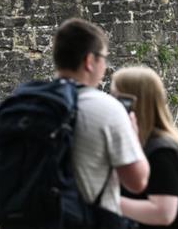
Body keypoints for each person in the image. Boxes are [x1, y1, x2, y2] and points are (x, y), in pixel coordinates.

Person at [53, 19, 149, 219]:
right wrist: (133, 137)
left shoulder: (27, 101)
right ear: (89, 61)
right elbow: (137, 181)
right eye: (104, 57)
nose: (105, 65)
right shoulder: (107, 109)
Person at [113, 67, 178, 229]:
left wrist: (108, 202)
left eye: (116, 99)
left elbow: (163, 213)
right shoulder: (153, 143)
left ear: (134, 104)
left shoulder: (162, 151)